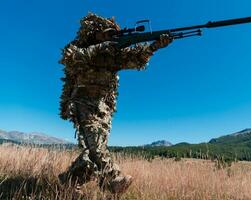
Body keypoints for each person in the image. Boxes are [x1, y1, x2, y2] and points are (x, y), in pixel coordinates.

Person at [58, 12, 172, 194]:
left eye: (113, 34)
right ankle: (114, 178)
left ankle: (69, 181)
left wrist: (155, 46)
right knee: (96, 146)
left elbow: (135, 59)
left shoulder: (113, 54)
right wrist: (102, 46)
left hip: (104, 108)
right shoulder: (81, 47)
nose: (110, 37)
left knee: (92, 152)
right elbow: (71, 58)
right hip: (83, 101)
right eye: (106, 33)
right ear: (95, 33)